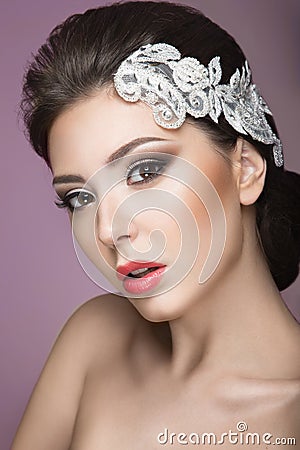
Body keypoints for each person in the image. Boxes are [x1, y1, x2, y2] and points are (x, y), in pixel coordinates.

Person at [12, 1, 300, 449]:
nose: (108, 230)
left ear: (245, 167)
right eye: (80, 198)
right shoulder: (93, 340)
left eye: (143, 172)